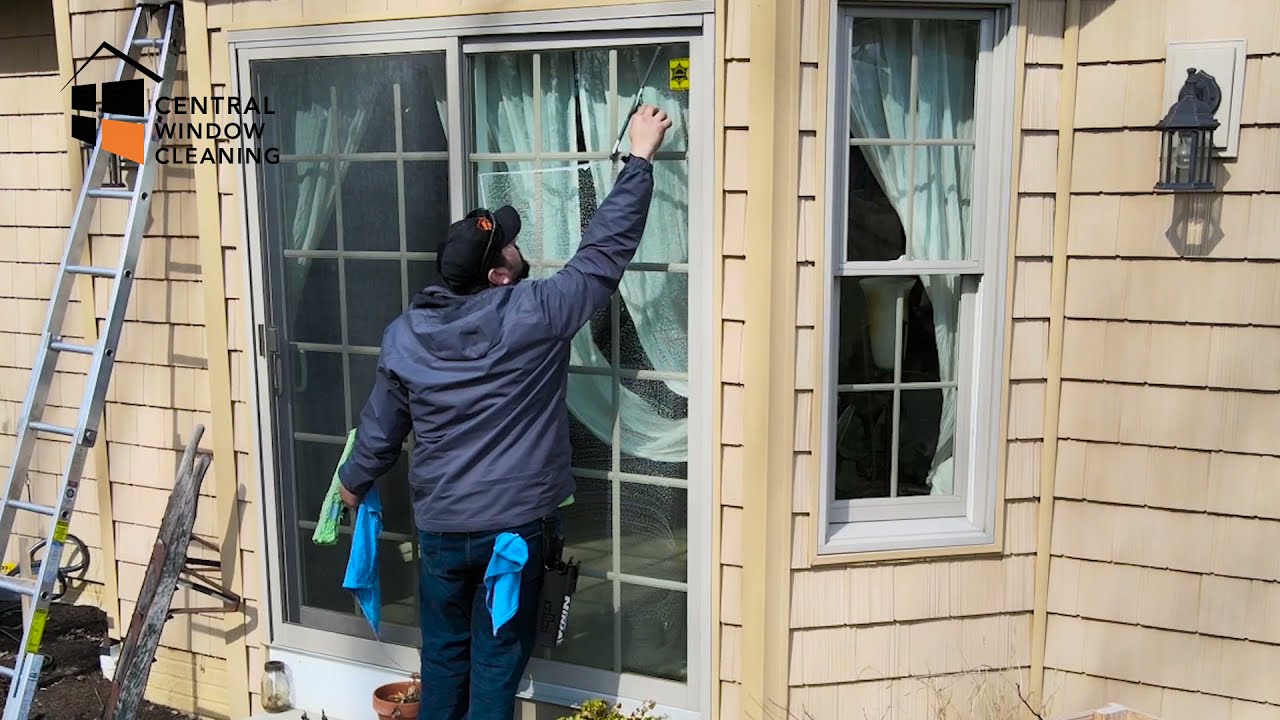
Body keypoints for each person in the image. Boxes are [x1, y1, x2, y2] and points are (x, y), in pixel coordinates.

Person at [336, 104, 672, 720]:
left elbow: (381, 429)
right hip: (512, 534)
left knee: (443, 659)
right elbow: (603, 254)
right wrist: (640, 158)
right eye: (511, 247)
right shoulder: (533, 314)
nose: (520, 249)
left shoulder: (405, 335)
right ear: (496, 275)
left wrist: (354, 482)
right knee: (495, 664)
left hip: (441, 532)